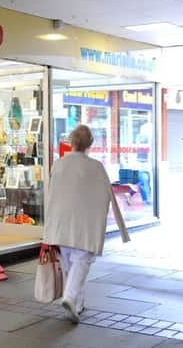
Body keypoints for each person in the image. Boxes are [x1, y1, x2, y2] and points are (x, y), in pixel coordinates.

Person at [43, 124, 130, 324]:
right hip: (84, 224)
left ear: (71, 141)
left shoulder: (58, 164)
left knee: (68, 263)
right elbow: (106, 195)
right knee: (81, 262)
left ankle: (78, 304)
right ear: (90, 143)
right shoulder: (96, 166)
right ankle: (71, 297)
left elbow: (53, 193)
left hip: (61, 222)